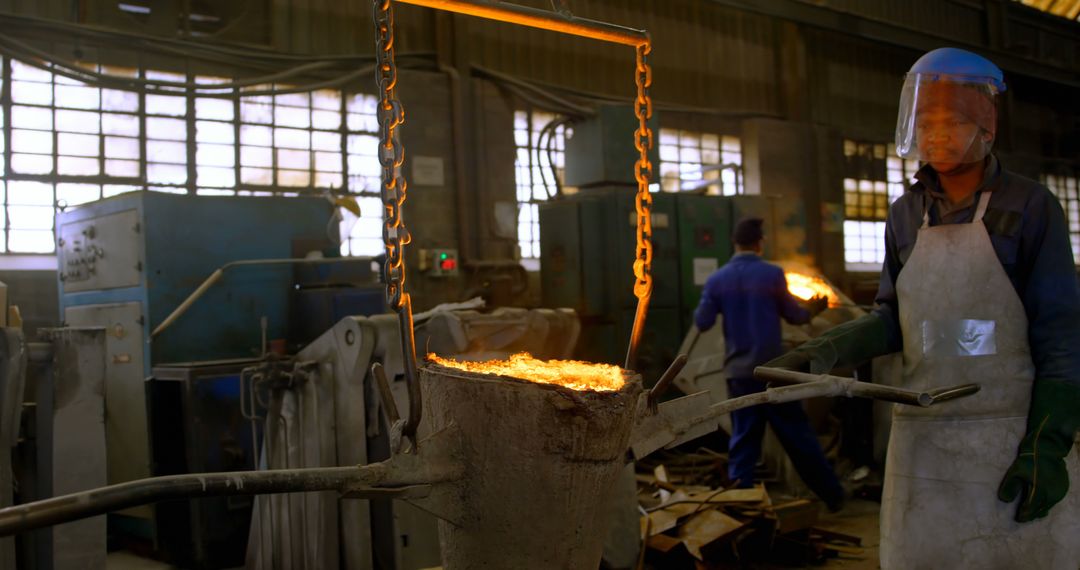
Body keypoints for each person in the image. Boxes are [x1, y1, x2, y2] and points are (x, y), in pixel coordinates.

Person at [765, 47, 1080, 569]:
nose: (936, 134)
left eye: (952, 120)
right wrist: (823, 350)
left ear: (986, 123)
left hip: (1008, 435)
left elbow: (1061, 336)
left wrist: (1046, 446)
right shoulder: (906, 214)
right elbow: (893, 316)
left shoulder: (1029, 207)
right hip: (923, 437)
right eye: (926, 122)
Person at [693, 217, 843, 511]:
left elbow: (702, 321)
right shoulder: (771, 274)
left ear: (735, 244)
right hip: (773, 372)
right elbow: (793, 315)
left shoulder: (717, 279)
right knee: (798, 437)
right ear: (760, 243)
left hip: (739, 374)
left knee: (744, 440)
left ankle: (743, 504)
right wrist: (811, 309)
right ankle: (833, 497)